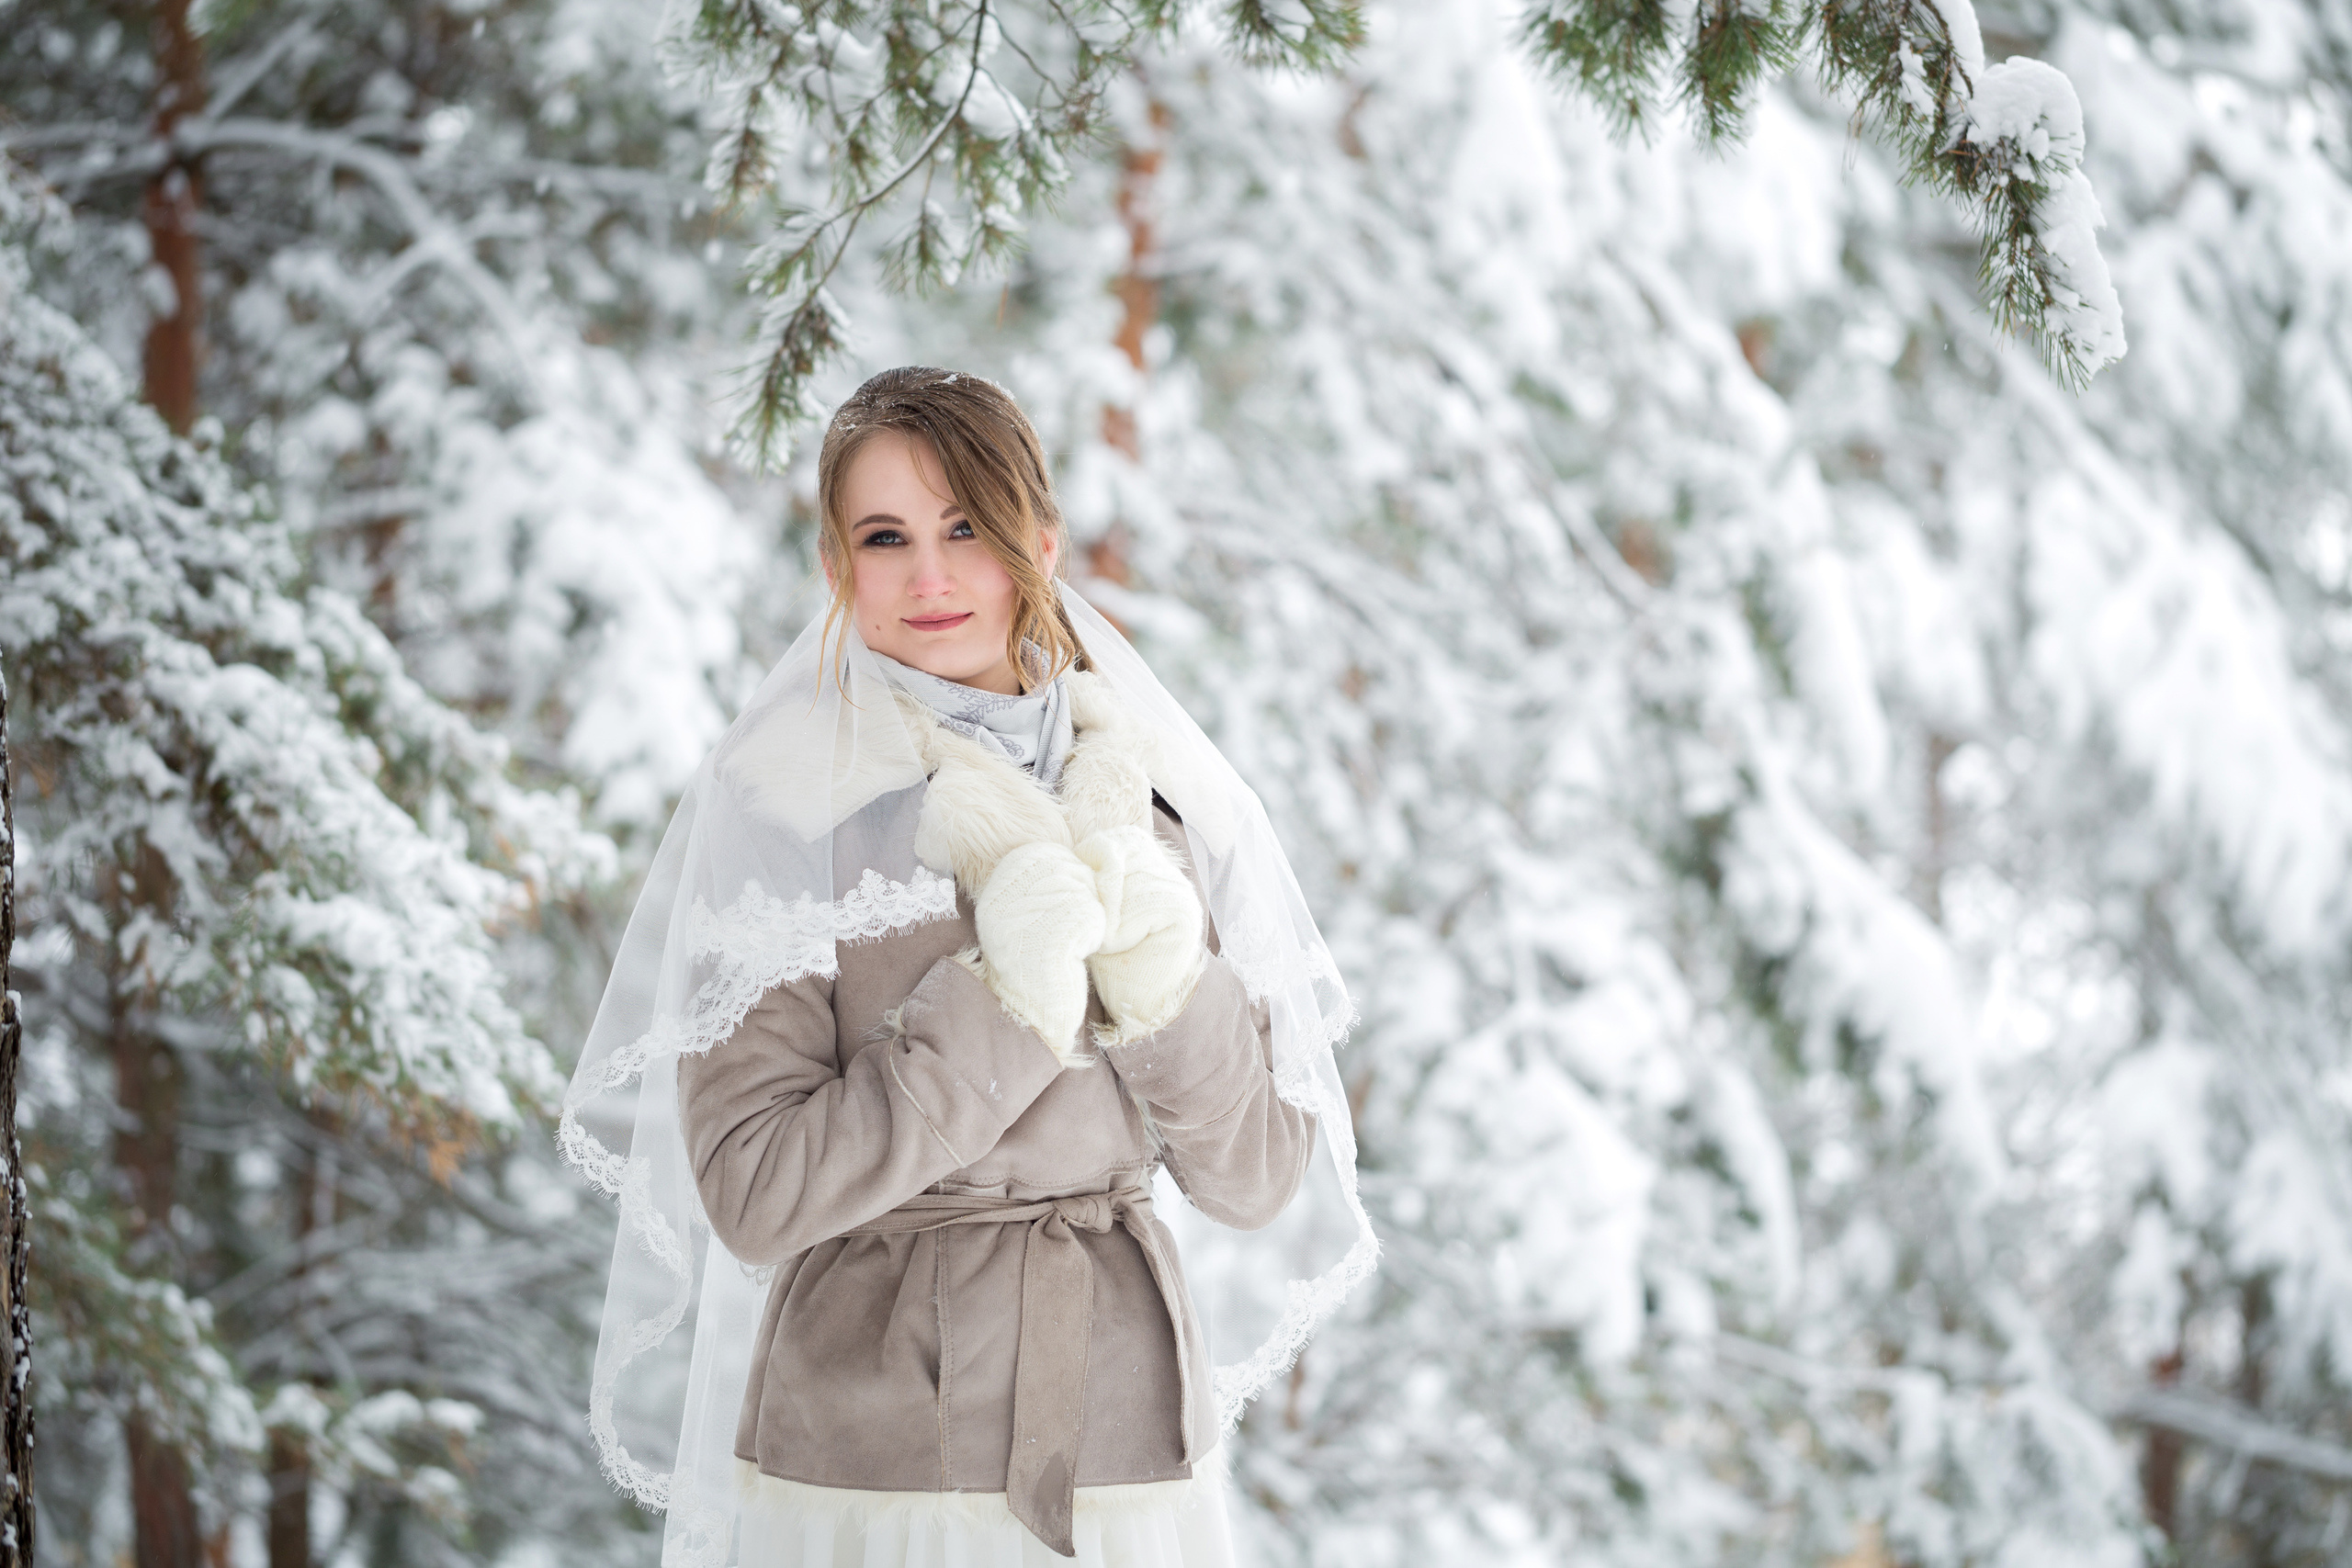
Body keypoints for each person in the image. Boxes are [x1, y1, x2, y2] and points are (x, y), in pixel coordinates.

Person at [562, 367, 1375, 1568]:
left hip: (1130, 1443)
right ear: (839, 569)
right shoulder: (793, 808)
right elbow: (751, 1188)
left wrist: (1165, 988)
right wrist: (1004, 1009)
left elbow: (1257, 1177)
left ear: (1037, 543)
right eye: (884, 537)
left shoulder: (1149, 797)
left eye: (966, 529)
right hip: (879, 1453)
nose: (930, 575)